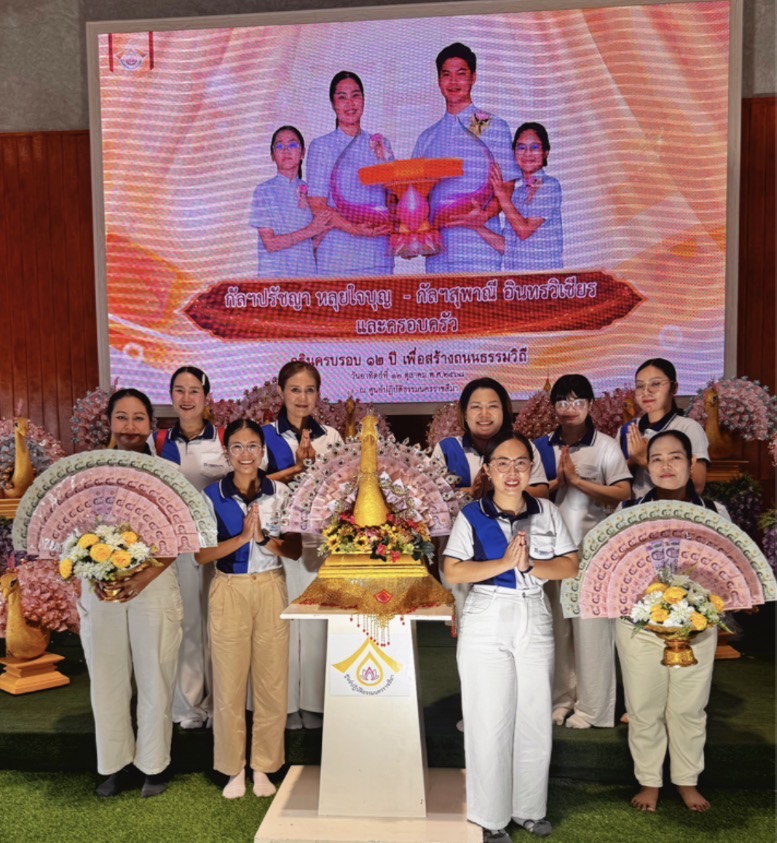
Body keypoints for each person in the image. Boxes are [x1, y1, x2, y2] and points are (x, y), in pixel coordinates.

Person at [443, 432, 579, 841]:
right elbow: (453, 570)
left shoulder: (547, 511)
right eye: (502, 463)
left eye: (520, 463)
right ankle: (491, 816)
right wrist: (504, 563)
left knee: (535, 714)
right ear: (488, 469)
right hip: (487, 614)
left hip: (533, 612)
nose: (512, 472)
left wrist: (530, 565)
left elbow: (570, 565)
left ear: (531, 468)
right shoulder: (472, 514)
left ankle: (529, 809)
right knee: (489, 717)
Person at [615, 430, 729, 813]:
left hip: (695, 626)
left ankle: (686, 781)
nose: (666, 465)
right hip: (639, 625)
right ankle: (649, 781)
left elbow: (727, 571)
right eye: (657, 458)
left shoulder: (714, 512)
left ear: (692, 463)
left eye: (675, 457)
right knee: (644, 706)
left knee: (688, 708)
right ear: (646, 466)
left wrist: (700, 608)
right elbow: (614, 570)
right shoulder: (628, 511)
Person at [79, 388, 183, 798]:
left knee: (155, 672)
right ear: (110, 422)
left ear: (150, 425)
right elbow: (73, 532)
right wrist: (91, 572)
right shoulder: (89, 474)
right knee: (107, 677)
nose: (130, 426)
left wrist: (144, 577)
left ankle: (154, 765)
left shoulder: (167, 473)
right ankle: (114, 764)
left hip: (152, 585)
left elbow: (182, 535)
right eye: (121, 417)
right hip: (101, 587)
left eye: (139, 418)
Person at [196, 419, 302, 799]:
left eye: (253, 446)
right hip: (229, 589)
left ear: (263, 451)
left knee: (272, 682)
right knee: (228, 685)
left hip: (271, 587)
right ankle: (233, 768)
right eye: (237, 447)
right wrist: (242, 538)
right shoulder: (211, 496)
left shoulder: (281, 493)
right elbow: (201, 555)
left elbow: (294, 550)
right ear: (227, 453)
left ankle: (264, 766)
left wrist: (263, 539)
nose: (246, 454)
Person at [533, 375, 632, 729]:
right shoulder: (539, 447)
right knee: (556, 631)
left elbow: (623, 492)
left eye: (577, 402)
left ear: (590, 405)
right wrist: (558, 482)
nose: (569, 409)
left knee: (591, 633)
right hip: (549, 552)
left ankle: (592, 709)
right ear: (553, 407)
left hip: (592, 552)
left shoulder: (605, 445)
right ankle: (560, 700)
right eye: (562, 402)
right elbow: (530, 493)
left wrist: (578, 482)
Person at [261, 361, 343, 730]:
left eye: (310, 390)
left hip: (318, 537)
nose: (302, 397)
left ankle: (315, 702)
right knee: (281, 620)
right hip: (276, 537)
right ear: (281, 392)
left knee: (316, 619)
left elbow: (342, 483)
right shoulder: (265, 435)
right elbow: (252, 482)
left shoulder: (331, 435)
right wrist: (295, 470)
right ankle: (285, 704)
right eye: (295, 389)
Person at [155, 366, 228, 730]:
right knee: (187, 623)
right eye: (179, 391)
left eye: (194, 391)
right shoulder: (158, 441)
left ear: (206, 396)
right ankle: (187, 704)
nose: (186, 398)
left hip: (222, 543)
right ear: (171, 396)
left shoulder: (224, 438)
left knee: (220, 622)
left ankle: (220, 704)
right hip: (178, 545)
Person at [412, 42, 520, 274]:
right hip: (438, 253)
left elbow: (507, 185)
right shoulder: (428, 137)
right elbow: (415, 195)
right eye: (446, 75)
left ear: (473, 77)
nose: (453, 82)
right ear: (438, 80)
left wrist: (483, 216)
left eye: (461, 74)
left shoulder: (489, 125)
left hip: (479, 249)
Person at [306, 71, 394, 277]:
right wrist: (355, 229)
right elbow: (317, 206)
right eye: (342, 97)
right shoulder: (322, 146)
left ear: (363, 100)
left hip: (378, 254)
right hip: (337, 257)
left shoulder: (380, 144)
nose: (350, 104)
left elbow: (393, 196)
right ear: (333, 103)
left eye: (355, 95)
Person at [249, 125, 333, 278]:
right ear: (272, 155)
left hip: (306, 278)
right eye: (279, 146)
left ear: (302, 153)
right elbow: (270, 244)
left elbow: (312, 245)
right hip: (274, 281)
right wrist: (311, 230)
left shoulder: (312, 192)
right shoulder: (264, 191)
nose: (286, 150)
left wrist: (322, 232)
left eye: (292, 145)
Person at [617, 358, 709, 498]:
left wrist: (644, 460)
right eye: (640, 386)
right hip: (633, 510)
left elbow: (697, 486)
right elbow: (613, 485)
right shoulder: (627, 430)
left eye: (655, 384)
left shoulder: (688, 428)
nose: (646, 392)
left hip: (672, 509)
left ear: (674, 388)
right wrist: (631, 462)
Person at [490, 122, 563, 270]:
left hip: (544, 279)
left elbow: (524, 231)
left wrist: (500, 194)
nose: (527, 153)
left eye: (534, 147)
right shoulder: (517, 194)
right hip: (518, 280)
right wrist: (473, 224)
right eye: (521, 147)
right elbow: (506, 246)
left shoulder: (549, 185)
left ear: (545, 152)